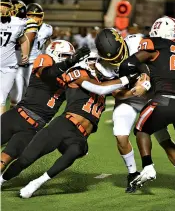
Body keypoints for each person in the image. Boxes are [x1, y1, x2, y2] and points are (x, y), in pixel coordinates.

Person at [0, 50, 139, 198]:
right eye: (92, 61)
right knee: (25, 159)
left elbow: (116, 91)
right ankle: (1, 180)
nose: (95, 64)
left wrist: (138, 85)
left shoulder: (103, 83)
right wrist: (127, 79)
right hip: (63, 125)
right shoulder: (79, 73)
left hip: (80, 135)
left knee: (77, 150)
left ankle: (37, 183)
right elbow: (99, 88)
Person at [95, 27, 175, 192]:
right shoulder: (101, 65)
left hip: (152, 95)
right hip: (129, 97)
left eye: (119, 55)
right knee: (120, 135)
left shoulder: (137, 41)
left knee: (164, 140)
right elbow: (116, 93)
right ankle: (132, 173)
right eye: (112, 60)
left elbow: (155, 61)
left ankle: (148, 166)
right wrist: (133, 91)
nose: (117, 62)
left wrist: (146, 77)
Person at [1, 40, 82, 172]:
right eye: (65, 56)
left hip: (34, 128)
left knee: (4, 159)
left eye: (70, 56)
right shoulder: (44, 59)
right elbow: (48, 74)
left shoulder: (72, 77)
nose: (68, 59)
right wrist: (69, 62)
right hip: (17, 116)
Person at [124, 16, 175, 188]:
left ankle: (148, 167)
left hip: (163, 101)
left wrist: (142, 75)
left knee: (141, 130)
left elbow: (129, 63)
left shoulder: (154, 44)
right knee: (165, 140)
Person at [10, 3, 53, 106]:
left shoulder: (47, 29)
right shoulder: (19, 26)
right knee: (16, 98)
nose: (35, 19)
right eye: (31, 15)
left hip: (35, 65)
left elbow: (48, 43)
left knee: (35, 95)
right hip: (19, 64)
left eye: (37, 16)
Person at [0, 0, 29, 115]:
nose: (2, 8)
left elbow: (24, 40)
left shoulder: (17, 23)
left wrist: (25, 54)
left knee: (2, 99)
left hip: (8, 68)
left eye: (5, 6)